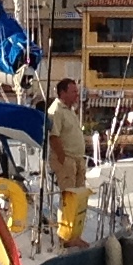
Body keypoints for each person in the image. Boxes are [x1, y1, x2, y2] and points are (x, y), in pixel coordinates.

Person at [46, 77, 92, 244]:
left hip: (77, 159)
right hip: (67, 160)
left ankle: (75, 235)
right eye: (73, 92)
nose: (77, 95)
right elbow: (54, 136)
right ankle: (66, 235)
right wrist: (63, 159)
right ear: (63, 93)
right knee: (69, 198)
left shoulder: (69, 110)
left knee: (78, 199)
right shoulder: (56, 110)